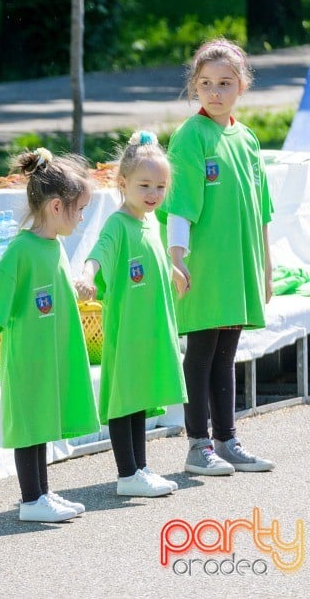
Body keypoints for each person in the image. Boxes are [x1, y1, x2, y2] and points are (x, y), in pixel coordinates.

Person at [0, 148, 99, 523]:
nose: (82, 218)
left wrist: (77, 287)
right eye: (79, 209)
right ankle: (31, 499)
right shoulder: (23, 248)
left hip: (50, 351)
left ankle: (42, 494)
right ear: (56, 207)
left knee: (42, 422)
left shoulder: (52, 246)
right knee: (30, 425)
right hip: (30, 355)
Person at [159, 39, 275, 475]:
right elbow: (179, 205)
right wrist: (177, 258)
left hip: (238, 265)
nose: (215, 91)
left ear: (241, 87)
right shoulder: (190, 136)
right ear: (195, 87)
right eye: (206, 83)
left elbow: (261, 209)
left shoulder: (246, 138)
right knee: (202, 354)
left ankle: (227, 439)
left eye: (225, 83)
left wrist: (266, 265)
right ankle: (197, 445)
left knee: (227, 355)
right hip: (203, 266)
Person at [75, 131, 187, 497]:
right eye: (144, 185)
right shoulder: (118, 224)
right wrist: (87, 275)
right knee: (125, 398)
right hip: (128, 331)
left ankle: (140, 467)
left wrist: (173, 271)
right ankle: (128, 473)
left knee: (139, 397)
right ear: (122, 183)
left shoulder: (150, 222)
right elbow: (100, 253)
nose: (153, 193)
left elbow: (152, 257)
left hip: (151, 328)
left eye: (160, 186)